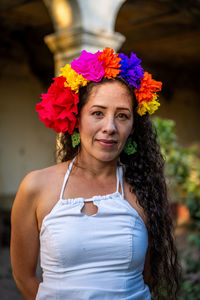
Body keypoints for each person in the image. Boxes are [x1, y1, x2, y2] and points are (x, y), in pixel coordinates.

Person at [10, 47, 181, 299]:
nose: (109, 127)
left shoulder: (143, 188)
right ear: (76, 118)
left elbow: (146, 277)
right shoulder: (36, 187)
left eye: (122, 116)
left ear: (133, 126)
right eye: (97, 113)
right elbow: (24, 277)